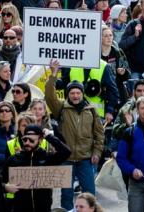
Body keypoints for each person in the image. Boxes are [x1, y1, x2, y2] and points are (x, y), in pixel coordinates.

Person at [44, 59, 104, 210]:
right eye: (72, 93)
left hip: (85, 159)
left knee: (90, 194)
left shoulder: (91, 110)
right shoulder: (61, 108)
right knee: (66, 195)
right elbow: (49, 96)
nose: (75, 95)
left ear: (82, 94)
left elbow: (99, 134)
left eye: (78, 93)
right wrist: (53, 75)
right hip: (66, 159)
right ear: (68, 94)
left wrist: (97, 152)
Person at [2, 123, 71, 212]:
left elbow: (66, 152)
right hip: (20, 208)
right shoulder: (14, 159)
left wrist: (49, 136)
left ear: (40, 140)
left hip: (43, 208)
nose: (27, 143)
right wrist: (5, 187)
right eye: (25, 139)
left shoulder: (47, 158)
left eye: (31, 140)